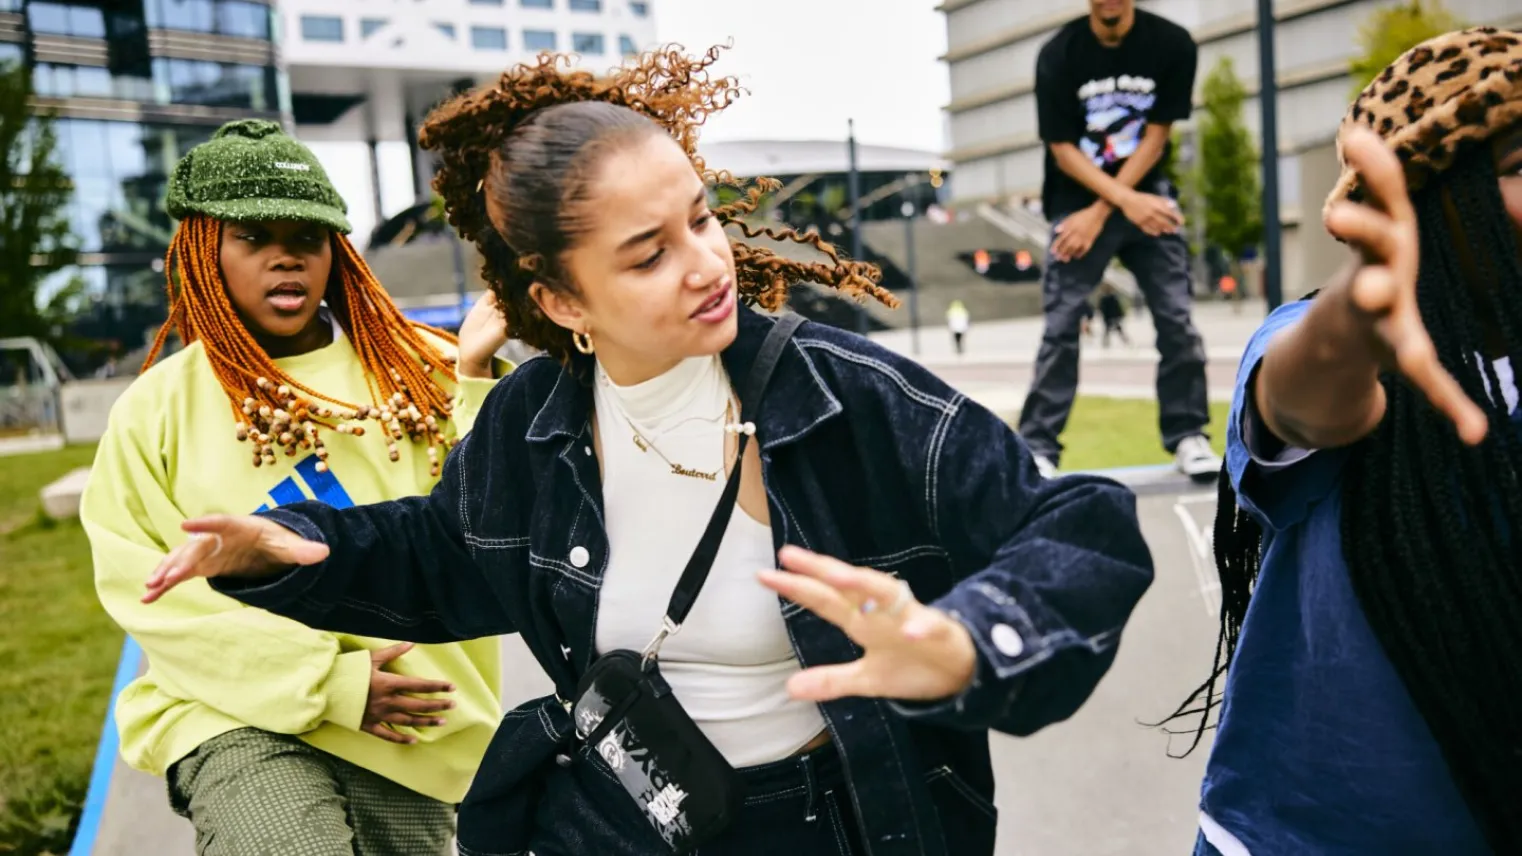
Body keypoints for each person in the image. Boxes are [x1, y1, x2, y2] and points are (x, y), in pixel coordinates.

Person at [134, 47, 1155, 856]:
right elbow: (443, 554)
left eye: (700, 217)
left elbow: (1081, 525)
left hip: (834, 821)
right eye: (648, 252)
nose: (706, 263)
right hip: (618, 815)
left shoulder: (844, 393)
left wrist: (970, 638)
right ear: (562, 301)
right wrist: (283, 548)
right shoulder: (532, 424)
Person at [83, 119, 512, 855]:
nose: (286, 257)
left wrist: (474, 383)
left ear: (337, 252)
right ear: (201, 251)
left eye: (306, 237)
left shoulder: (421, 371)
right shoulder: (155, 410)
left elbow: (484, 521)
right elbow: (148, 594)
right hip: (230, 711)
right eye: (254, 237)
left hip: (412, 722)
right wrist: (326, 682)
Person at [1166, 28, 1522, 855]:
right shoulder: (1314, 336)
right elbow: (1303, 404)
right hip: (1303, 834)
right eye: (1516, 166)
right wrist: (1357, 311)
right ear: (1436, 201)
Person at [1019, 0, 1217, 481]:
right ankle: (1039, 447)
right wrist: (1101, 211)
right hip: (1075, 202)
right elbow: (1064, 151)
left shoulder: (1171, 44)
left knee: (1176, 318)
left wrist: (1113, 206)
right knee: (1062, 326)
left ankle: (1188, 434)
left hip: (1146, 201)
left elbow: (1156, 136)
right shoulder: (1058, 54)